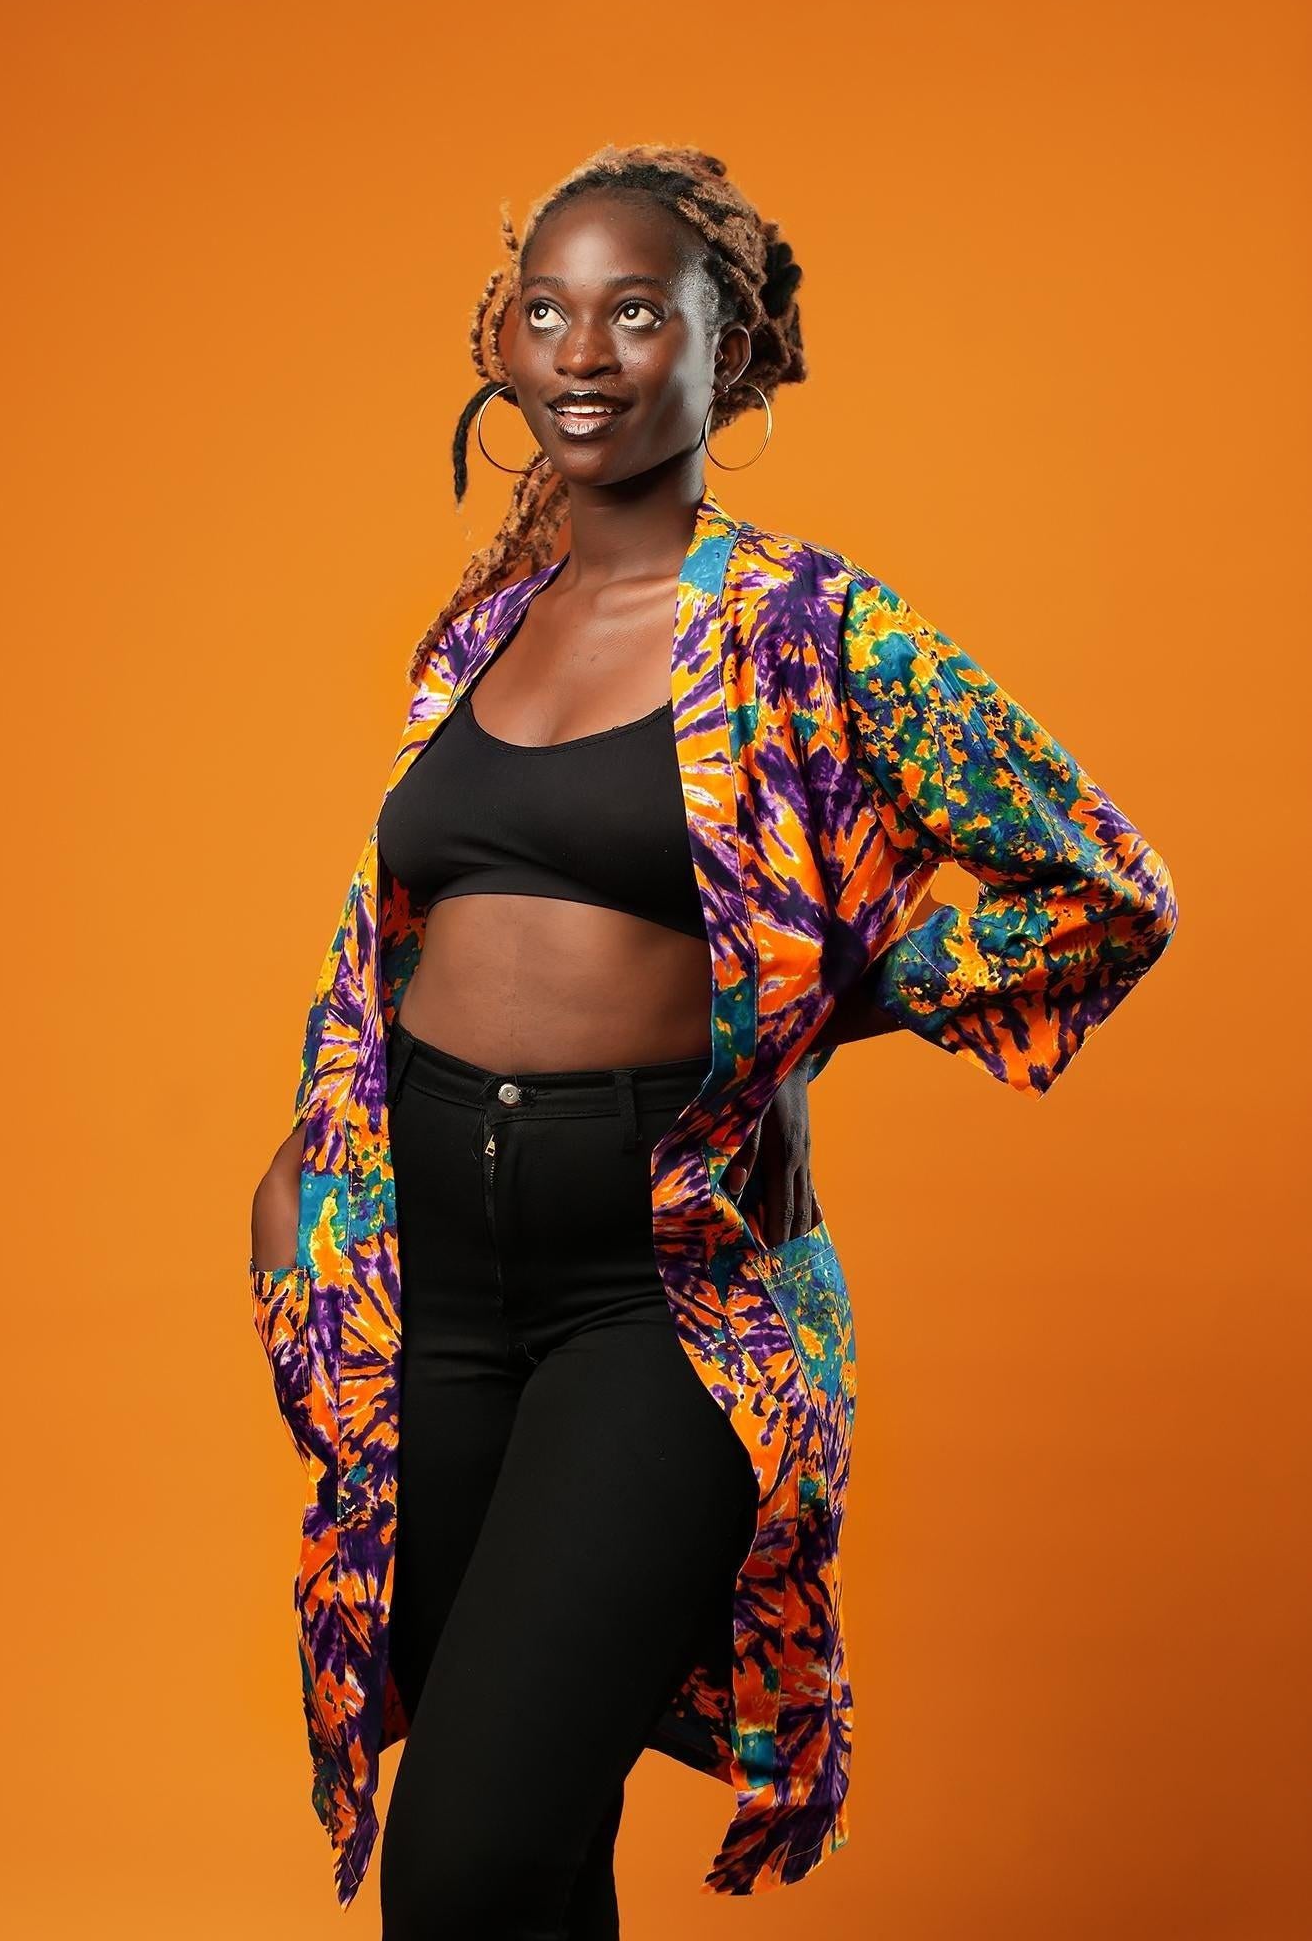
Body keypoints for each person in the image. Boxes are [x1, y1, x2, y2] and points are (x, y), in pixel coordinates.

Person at [249, 143, 1178, 1940]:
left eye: (631, 313)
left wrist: (818, 999)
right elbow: (407, 922)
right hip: (421, 1274)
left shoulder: (815, 629)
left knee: (469, 1852)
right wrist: (305, 1154)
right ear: (502, 352)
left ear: (719, 348)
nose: (580, 352)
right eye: (544, 312)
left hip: (656, 1288)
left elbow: (1100, 886)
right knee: (523, 1853)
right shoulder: (483, 625)